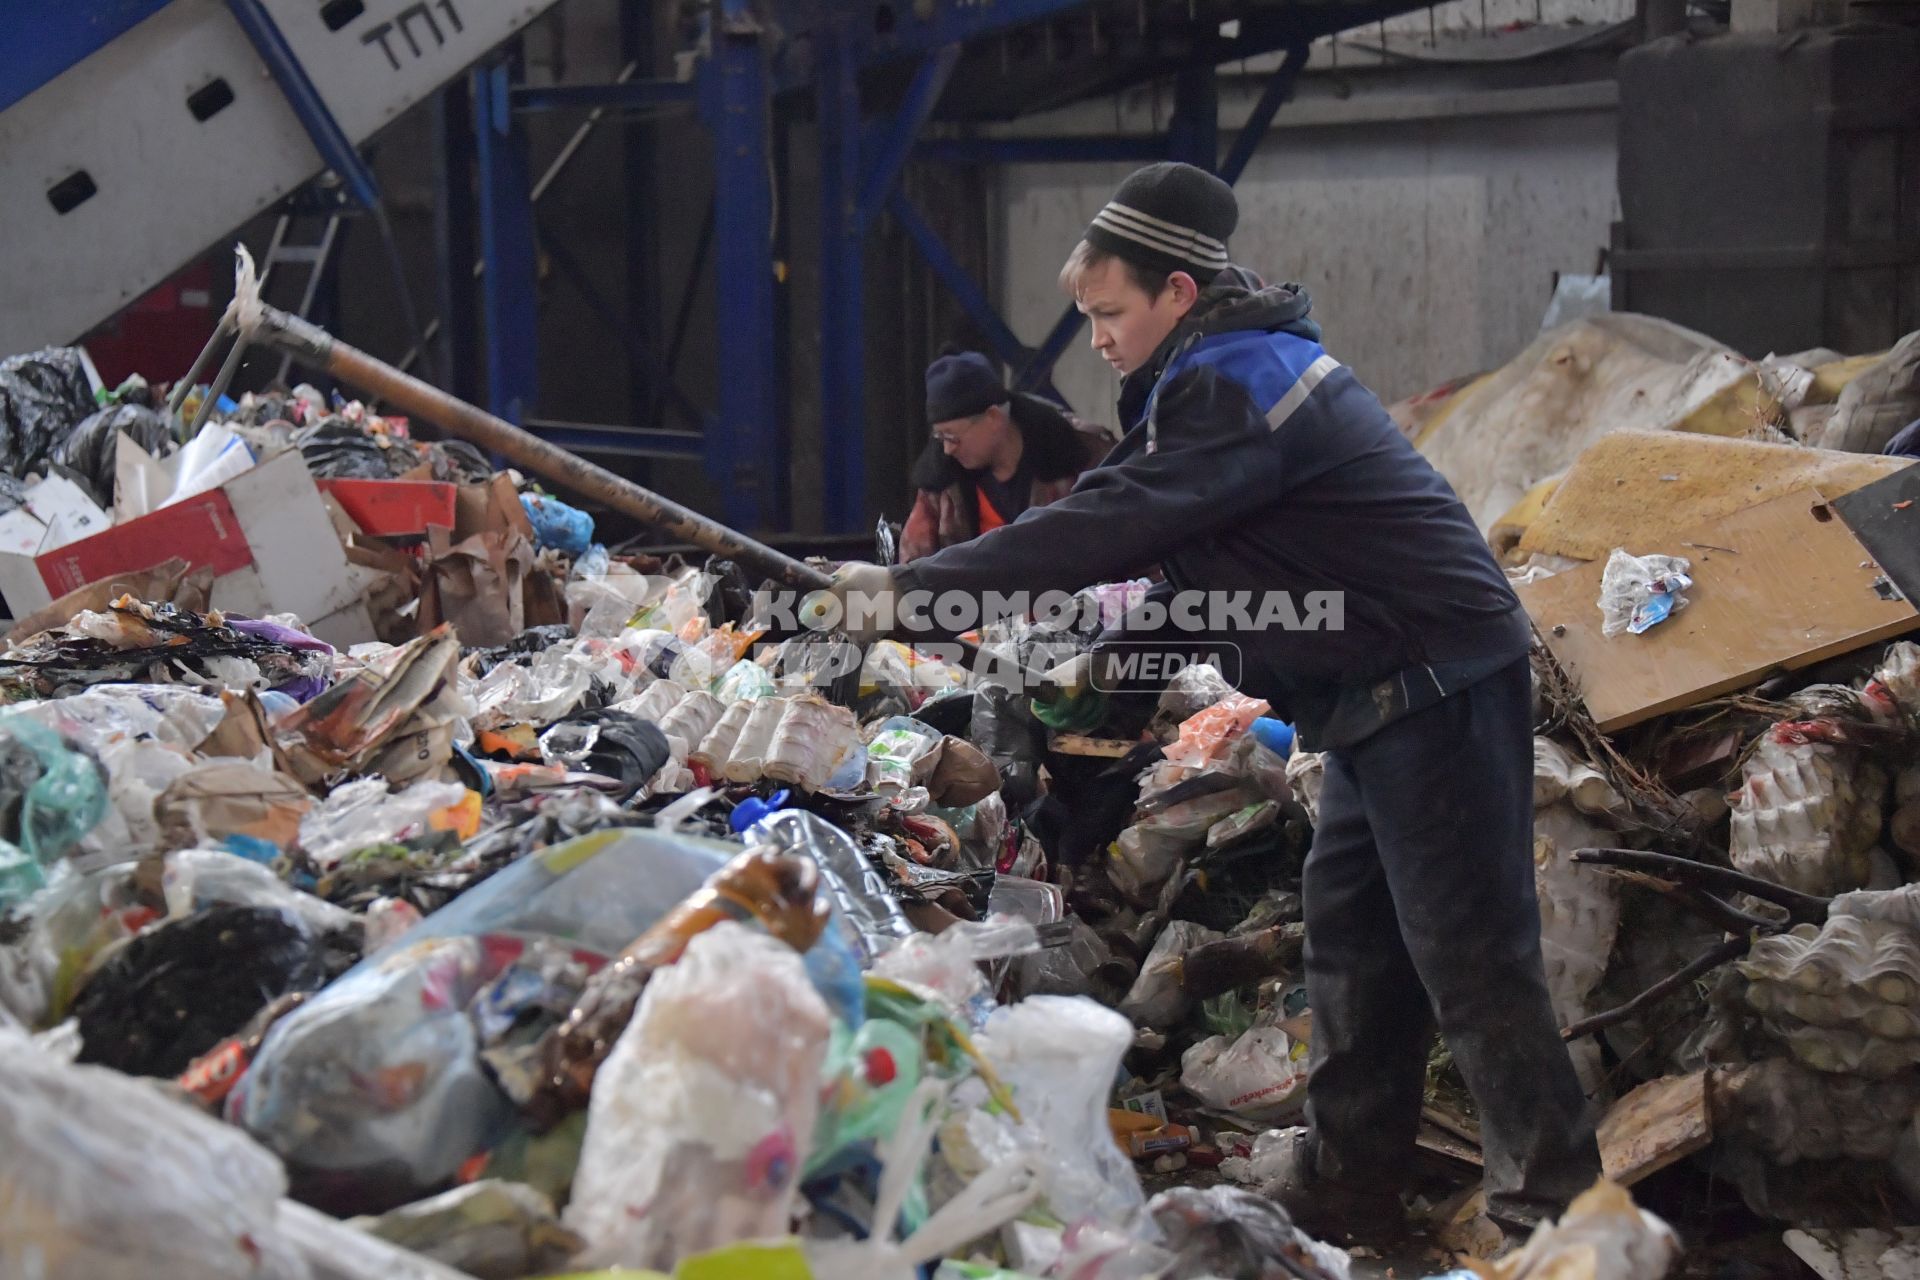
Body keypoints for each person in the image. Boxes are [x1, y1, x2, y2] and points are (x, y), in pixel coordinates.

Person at [817, 161, 1602, 1240]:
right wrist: (1104, 673)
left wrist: (915, 594)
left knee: (1469, 955)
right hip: (1376, 695)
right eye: (1085, 316)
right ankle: (1352, 1185)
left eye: (1109, 312)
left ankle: (1554, 1215)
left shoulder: (1242, 378)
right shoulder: (1208, 381)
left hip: (1438, 680)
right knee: (1354, 943)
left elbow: (1114, 523)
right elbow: (1199, 567)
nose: (1094, 337)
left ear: (1177, 292)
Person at [899, 351, 1115, 562]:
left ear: (993, 417)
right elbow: (913, 565)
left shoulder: (1082, 452)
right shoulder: (940, 481)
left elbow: (1125, 531)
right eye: (940, 437)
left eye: (953, 437)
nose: (947, 449)